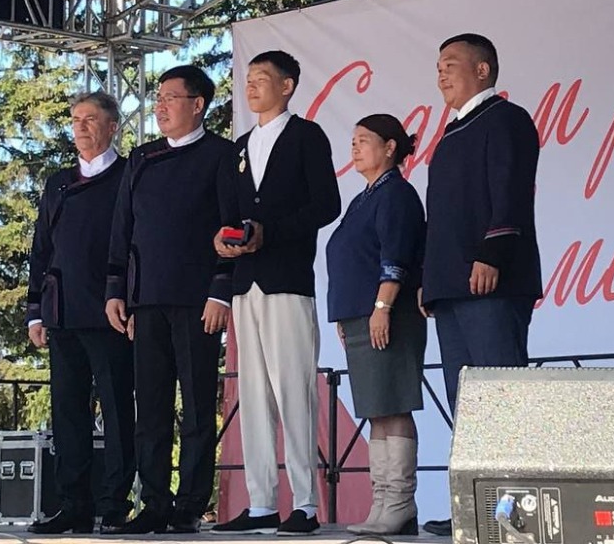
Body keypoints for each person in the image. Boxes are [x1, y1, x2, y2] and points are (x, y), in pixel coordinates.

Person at [212, 50, 341, 536]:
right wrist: (223, 239)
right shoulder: (239, 148)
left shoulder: (306, 136)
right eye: (248, 79)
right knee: (253, 394)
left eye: (262, 78)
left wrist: (273, 231)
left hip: (287, 280)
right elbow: (228, 212)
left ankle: (305, 502)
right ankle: (262, 501)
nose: (251, 86)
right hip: (245, 283)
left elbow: (326, 204)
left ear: (287, 86)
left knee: (293, 391)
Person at [421, 33, 542, 537]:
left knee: (501, 395)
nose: (441, 73)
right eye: (438, 65)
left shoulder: (505, 118)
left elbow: (509, 191)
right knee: (466, 402)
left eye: (451, 63)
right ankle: (475, 507)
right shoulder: (450, 133)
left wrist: (493, 252)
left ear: (483, 69)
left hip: (491, 279)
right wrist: (429, 279)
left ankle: (516, 511)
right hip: (452, 286)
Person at [104, 65, 234, 534]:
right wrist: (116, 290)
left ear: (198, 104)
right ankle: (154, 502)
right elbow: (123, 229)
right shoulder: (142, 158)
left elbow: (231, 225)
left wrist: (221, 289)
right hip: (146, 299)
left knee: (197, 407)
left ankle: (190, 505)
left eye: (170, 98)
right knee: (152, 407)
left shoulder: (222, 154)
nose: (160, 106)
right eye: (157, 98)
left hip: (198, 300)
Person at [26, 91, 135, 534]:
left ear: (112, 126)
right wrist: (35, 310)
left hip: (110, 312)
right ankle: (73, 503)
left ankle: (114, 504)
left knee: (116, 408)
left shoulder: (128, 176)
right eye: (75, 119)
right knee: (68, 411)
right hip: (62, 310)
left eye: (90, 119)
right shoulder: (58, 182)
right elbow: (41, 248)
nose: (81, 127)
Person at [326, 114, 426, 536]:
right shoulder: (364, 197)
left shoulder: (396, 194)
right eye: (353, 140)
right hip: (361, 317)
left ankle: (399, 500)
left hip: (388, 314)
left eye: (364, 140)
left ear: (389, 147)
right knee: (374, 408)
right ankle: (383, 499)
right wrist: (347, 314)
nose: (355, 147)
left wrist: (382, 305)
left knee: (392, 403)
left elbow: (395, 254)